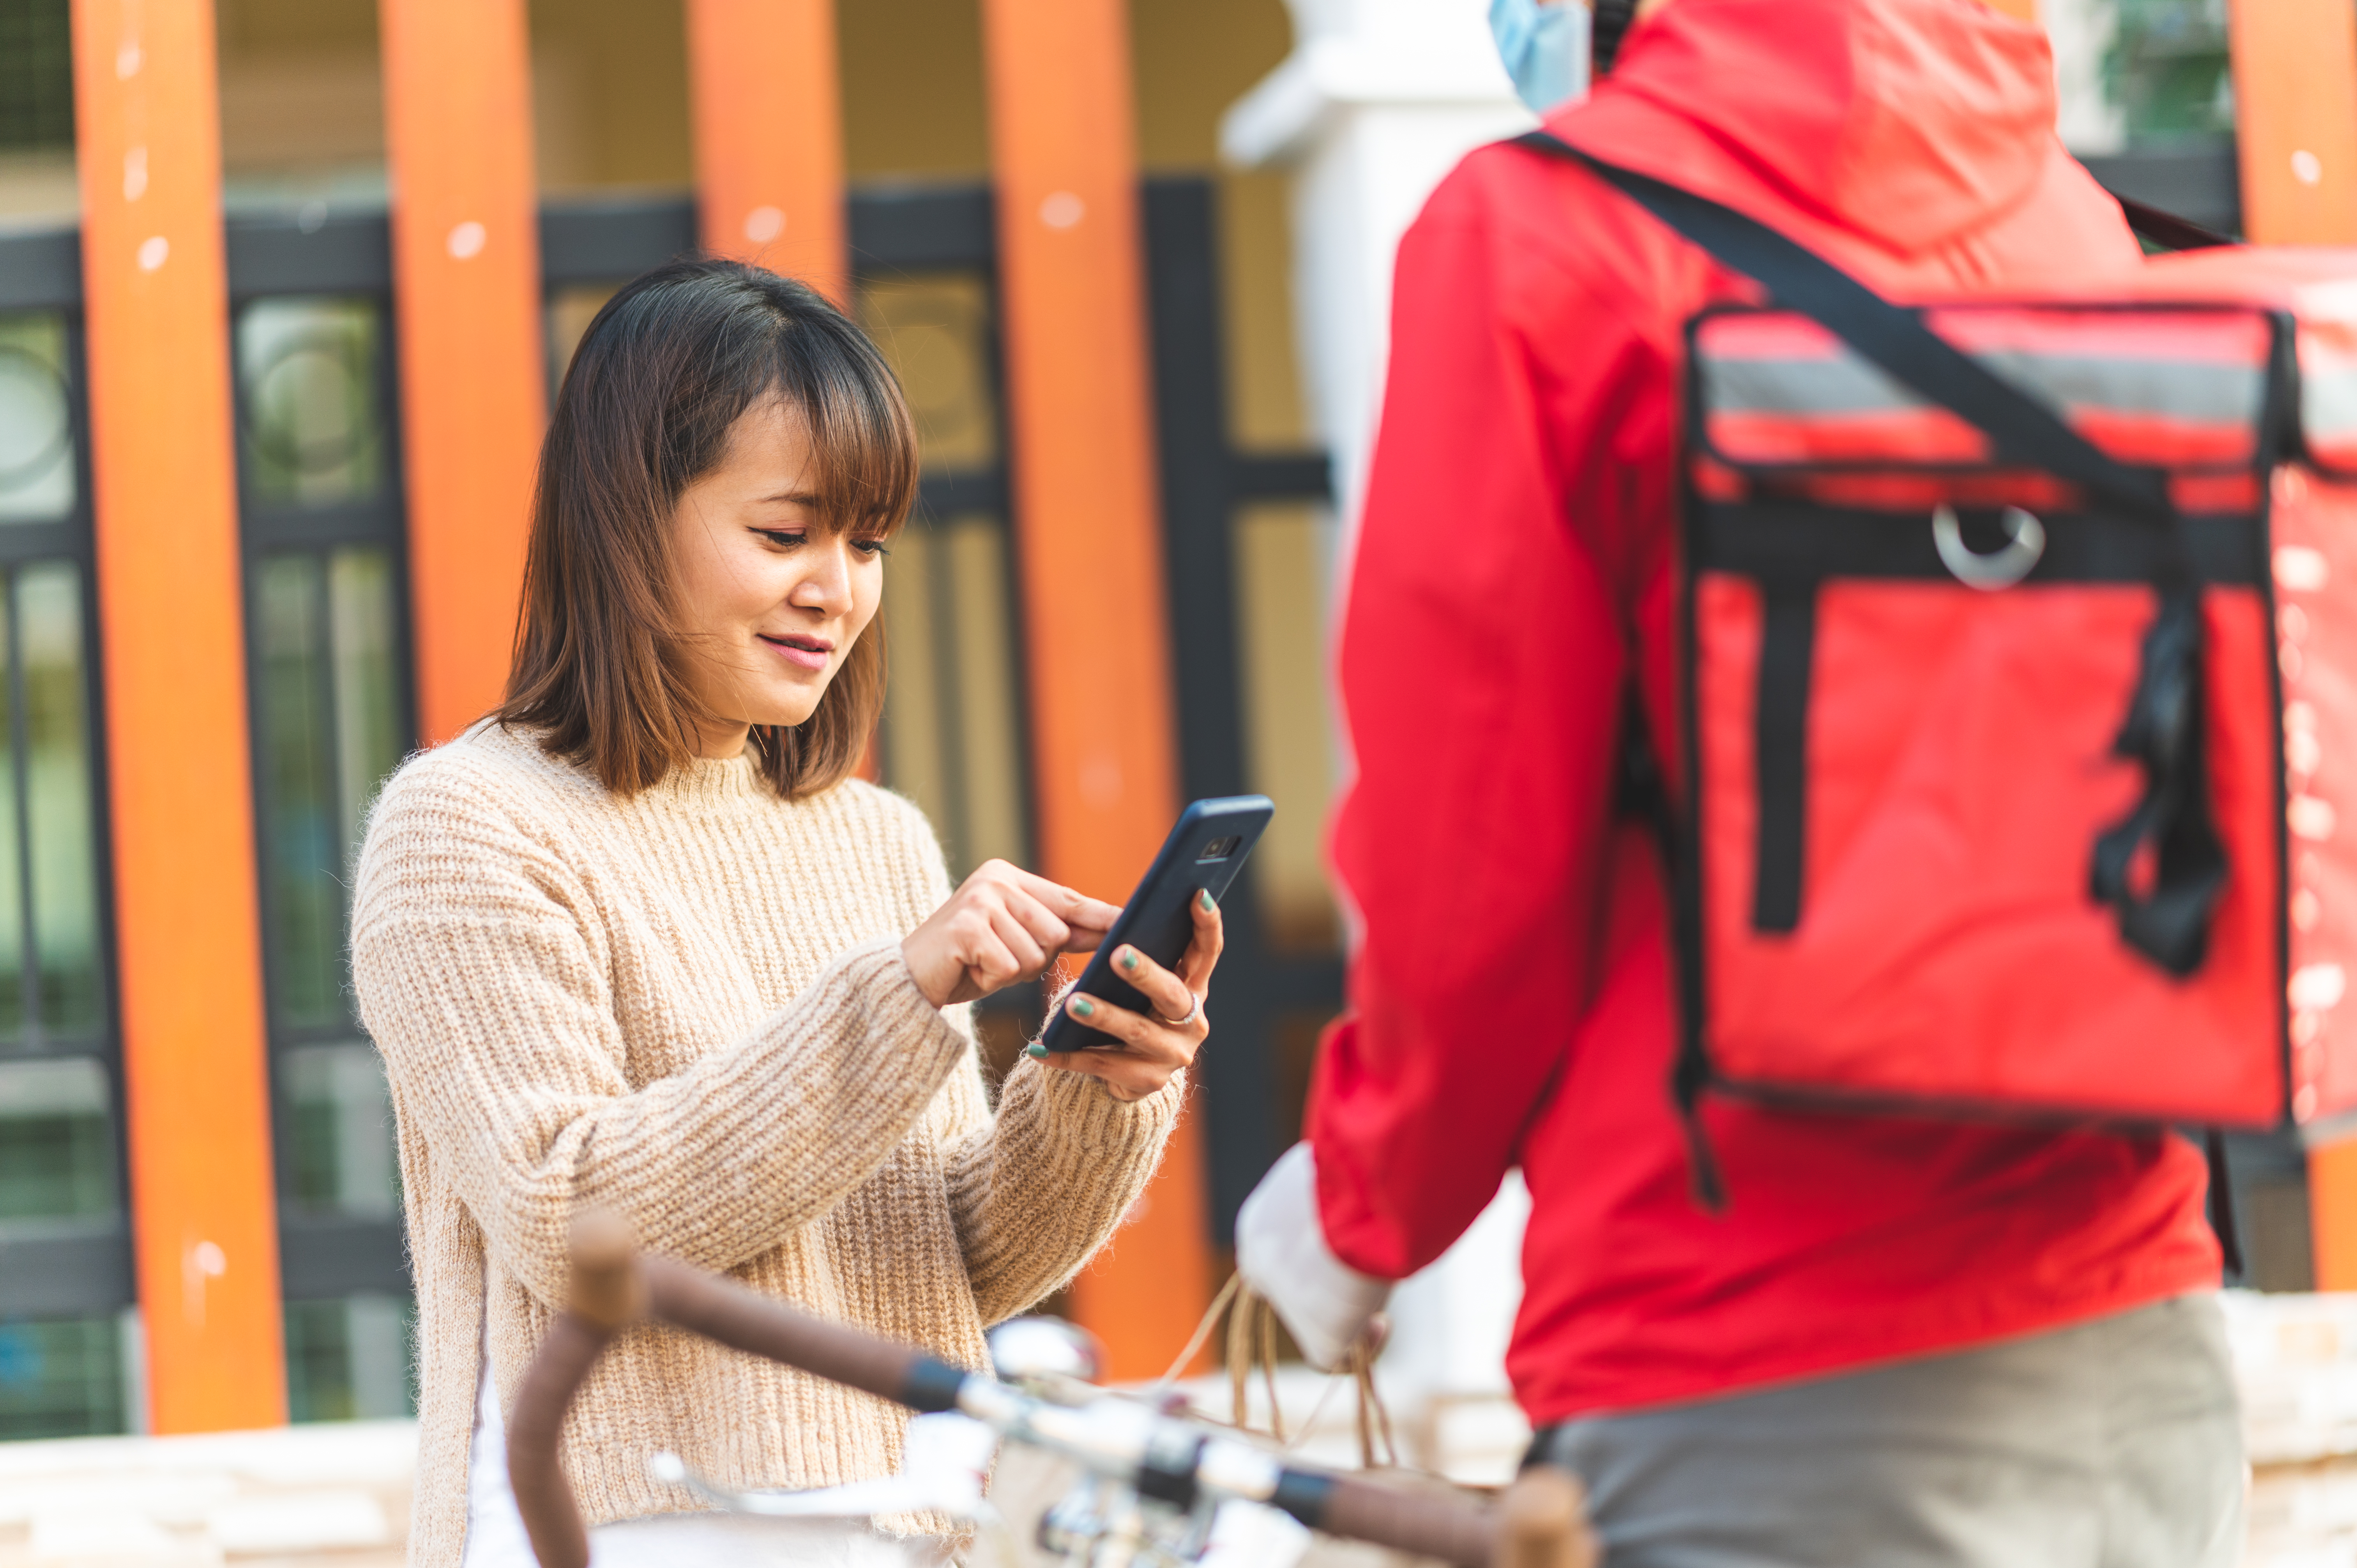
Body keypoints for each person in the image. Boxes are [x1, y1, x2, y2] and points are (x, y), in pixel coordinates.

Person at [1237, 0, 2245, 1563]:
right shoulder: (2068, 212)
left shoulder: (1548, 237)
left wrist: (1361, 1206)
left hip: (1746, 1354)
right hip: (2137, 1327)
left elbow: (1477, 862)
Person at [350, 258, 1220, 1568]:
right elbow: (567, 1215)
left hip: (910, 1514)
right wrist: (894, 998)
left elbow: (949, 1260)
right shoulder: (467, 823)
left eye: (866, 543)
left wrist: (1094, 1085)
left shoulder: (876, 837)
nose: (839, 589)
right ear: (629, 521)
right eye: (785, 535)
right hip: (624, 1523)